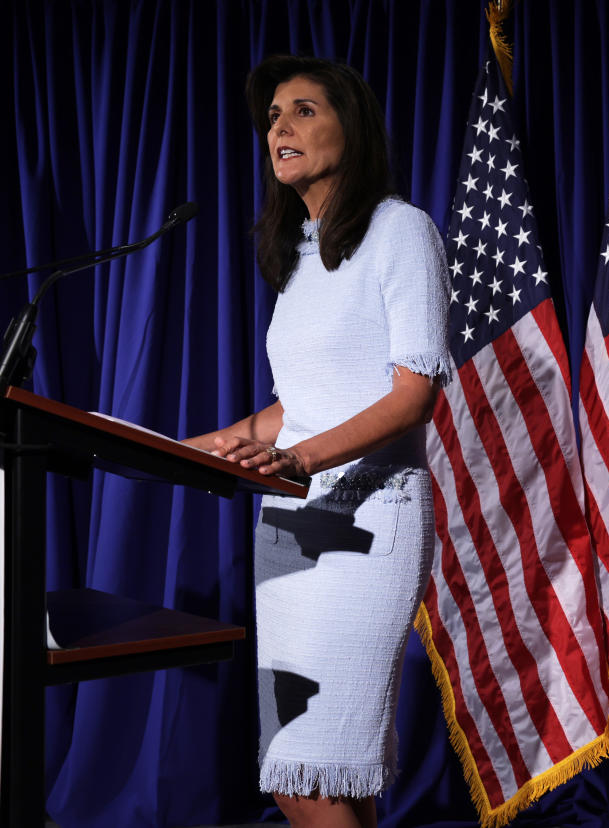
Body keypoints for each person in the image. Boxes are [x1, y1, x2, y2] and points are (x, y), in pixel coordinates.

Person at [184, 54, 451, 828]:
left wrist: (296, 458)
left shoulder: (402, 232)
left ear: (351, 128)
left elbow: (413, 394)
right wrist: (207, 445)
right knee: (303, 772)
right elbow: (293, 408)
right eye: (272, 117)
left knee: (317, 776)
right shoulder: (299, 261)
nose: (280, 127)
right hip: (290, 531)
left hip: (368, 524)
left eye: (302, 110)